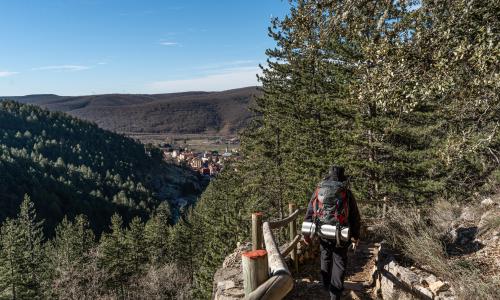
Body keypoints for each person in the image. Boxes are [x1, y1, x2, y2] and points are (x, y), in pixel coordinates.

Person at [303, 165, 361, 300]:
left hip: (322, 230)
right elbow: (354, 216)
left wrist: (306, 234)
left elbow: (310, 212)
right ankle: (335, 295)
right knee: (339, 261)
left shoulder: (319, 190)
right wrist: (356, 236)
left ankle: (325, 285)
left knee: (325, 255)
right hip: (341, 232)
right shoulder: (346, 192)